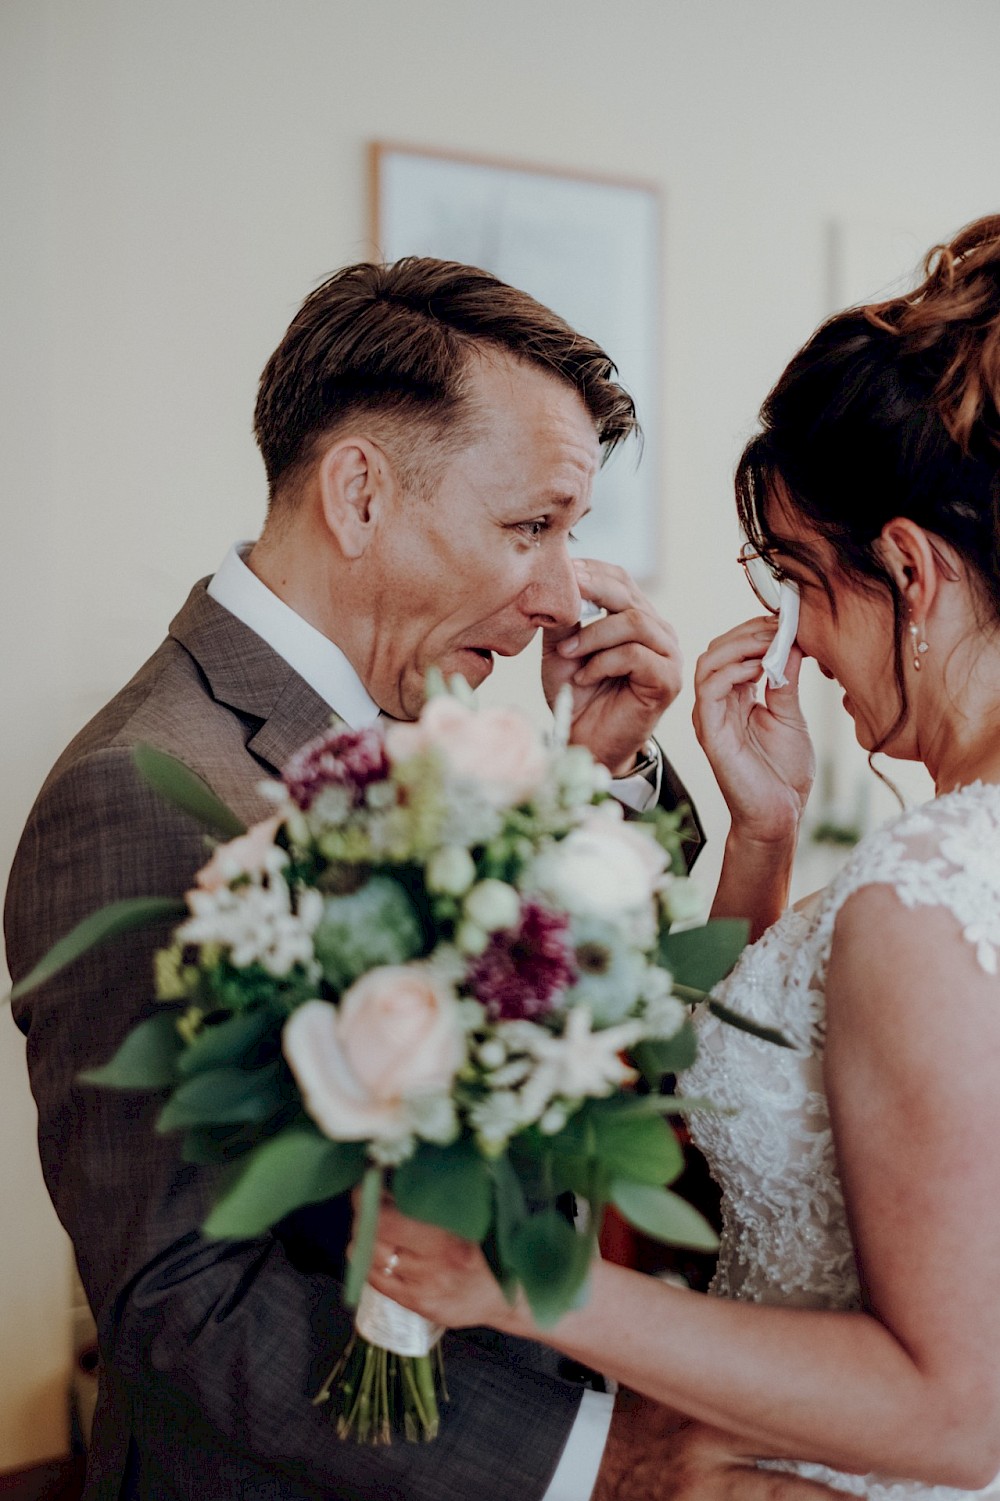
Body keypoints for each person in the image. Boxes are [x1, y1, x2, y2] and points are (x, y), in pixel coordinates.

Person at [3, 255, 774, 1501]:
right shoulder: (146, 791)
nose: (563, 595)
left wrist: (606, 772)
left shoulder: (424, 727)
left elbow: (615, 1030)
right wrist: (606, 1463)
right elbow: (184, 1303)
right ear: (359, 493)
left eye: (569, 536)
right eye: (531, 527)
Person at [363, 214, 1000, 1499]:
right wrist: (758, 833)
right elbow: (788, 1111)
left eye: (801, 584)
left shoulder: (921, 898)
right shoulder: (944, 868)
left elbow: (955, 1408)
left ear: (912, 574)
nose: (797, 644)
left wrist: (523, 1286)